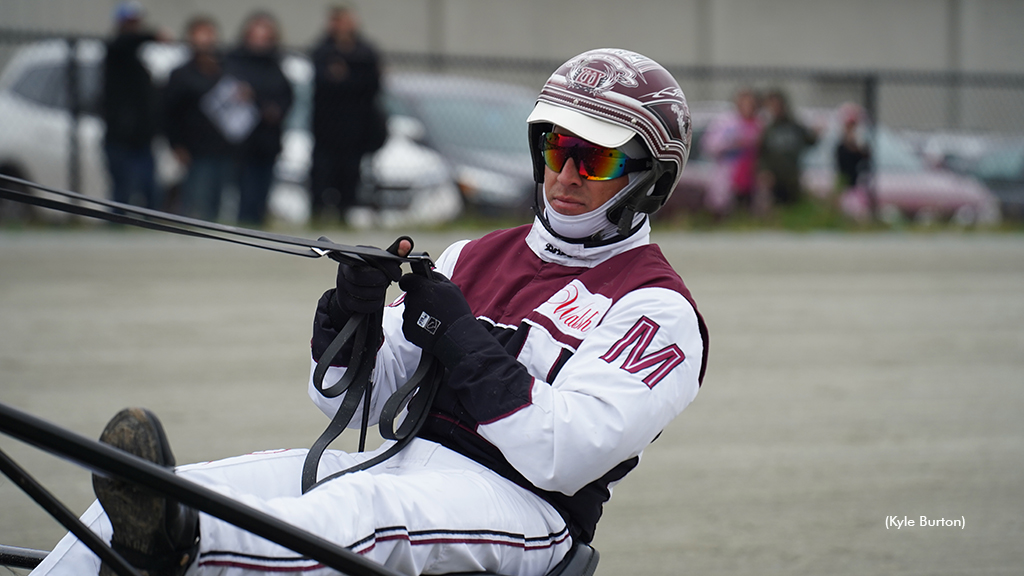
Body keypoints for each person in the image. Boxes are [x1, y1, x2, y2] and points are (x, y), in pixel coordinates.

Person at [32, 48, 707, 576]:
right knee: (170, 491)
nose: (564, 176)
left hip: (523, 509)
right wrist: (349, 323)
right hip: (404, 459)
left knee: (363, 515)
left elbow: (562, 454)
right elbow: (353, 409)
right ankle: (172, 532)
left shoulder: (657, 308)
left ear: (650, 178)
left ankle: (188, 548)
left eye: (593, 160)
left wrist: (462, 340)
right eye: (557, 149)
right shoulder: (473, 254)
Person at [309, 4, 385, 224]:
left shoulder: (364, 51)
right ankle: (318, 212)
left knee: (350, 173)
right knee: (322, 172)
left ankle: (345, 212)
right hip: (325, 127)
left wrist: (344, 76)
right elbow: (323, 81)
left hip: (355, 128)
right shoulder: (322, 50)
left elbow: (371, 84)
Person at [163, 16, 235, 221]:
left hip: (224, 146)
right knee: (196, 201)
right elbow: (169, 114)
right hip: (194, 149)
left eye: (209, 34)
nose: (206, 40)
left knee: (219, 202)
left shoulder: (225, 70)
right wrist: (176, 144)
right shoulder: (181, 75)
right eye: (200, 34)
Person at [225, 11, 293, 226]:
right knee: (243, 188)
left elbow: (286, 96)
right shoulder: (234, 61)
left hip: (268, 138)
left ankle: (257, 222)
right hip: (240, 139)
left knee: (262, 189)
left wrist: (273, 109)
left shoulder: (276, 64)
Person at [102, 1, 165, 210]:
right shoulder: (116, 51)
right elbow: (126, 42)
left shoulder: (138, 61)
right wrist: (155, 35)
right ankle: (116, 228)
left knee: (150, 188)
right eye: (130, 22)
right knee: (123, 189)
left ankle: (151, 228)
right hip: (120, 137)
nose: (134, 26)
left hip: (142, 137)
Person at [701, 87, 762, 217]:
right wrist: (731, 142)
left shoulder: (760, 123)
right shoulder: (726, 122)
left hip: (751, 175)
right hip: (730, 175)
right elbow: (709, 145)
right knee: (726, 208)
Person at [757, 89, 817, 208]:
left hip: (792, 175)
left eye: (778, 105)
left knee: (793, 207)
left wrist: (816, 133)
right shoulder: (766, 129)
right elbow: (761, 152)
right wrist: (764, 171)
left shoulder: (794, 126)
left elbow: (810, 141)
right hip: (774, 177)